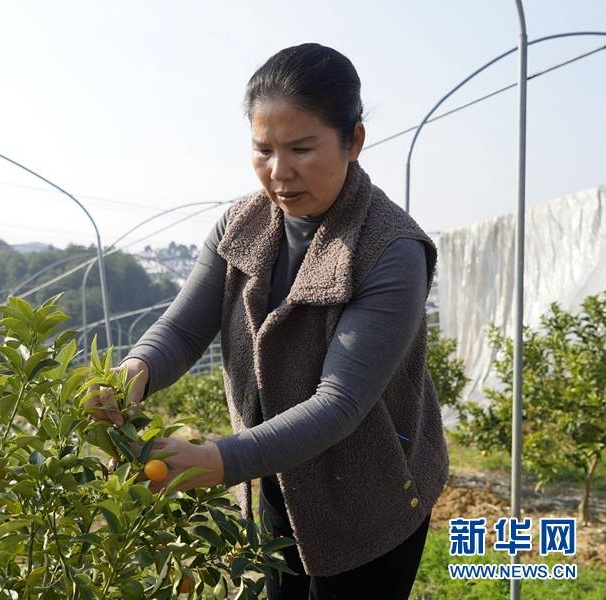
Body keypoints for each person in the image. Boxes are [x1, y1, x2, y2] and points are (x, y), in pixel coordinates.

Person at [86, 42, 448, 600]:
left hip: (370, 494)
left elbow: (341, 403)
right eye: (263, 151)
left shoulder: (390, 249)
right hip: (273, 476)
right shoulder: (242, 224)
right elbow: (182, 330)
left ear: (353, 141)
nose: (279, 173)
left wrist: (219, 460)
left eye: (302, 148)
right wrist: (134, 372)